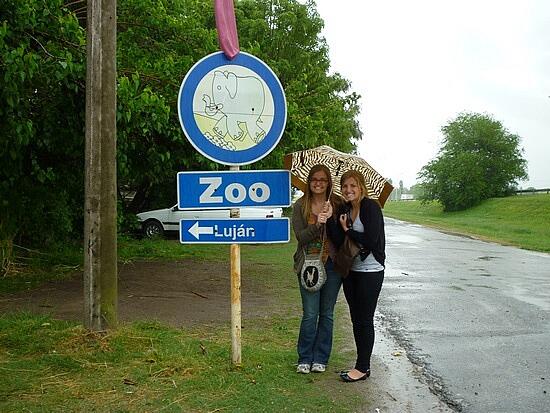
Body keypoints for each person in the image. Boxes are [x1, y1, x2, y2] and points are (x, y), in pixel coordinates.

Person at [330, 170, 386, 383]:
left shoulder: (371, 208)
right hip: (351, 271)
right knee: (356, 319)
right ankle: (361, 364)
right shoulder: (344, 208)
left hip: (371, 272)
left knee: (365, 319)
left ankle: (363, 367)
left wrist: (348, 229)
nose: (348, 190)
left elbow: (371, 239)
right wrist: (330, 220)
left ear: (361, 187)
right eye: (345, 186)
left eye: (353, 186)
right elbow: (337, 240)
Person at [292, 164, 342, 374]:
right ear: (308, 182)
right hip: (308, 265)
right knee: (310, 313)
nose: (318, 183)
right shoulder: (300, 205)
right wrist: (318, 223)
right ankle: (305, 357)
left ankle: (321, 357)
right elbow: (301, 238)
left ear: (328, 182)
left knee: (327, 313)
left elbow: (341, 238)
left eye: (323, 179)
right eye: (314, 179)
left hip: (332, 265)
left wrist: (330, 220)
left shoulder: (337, 204)